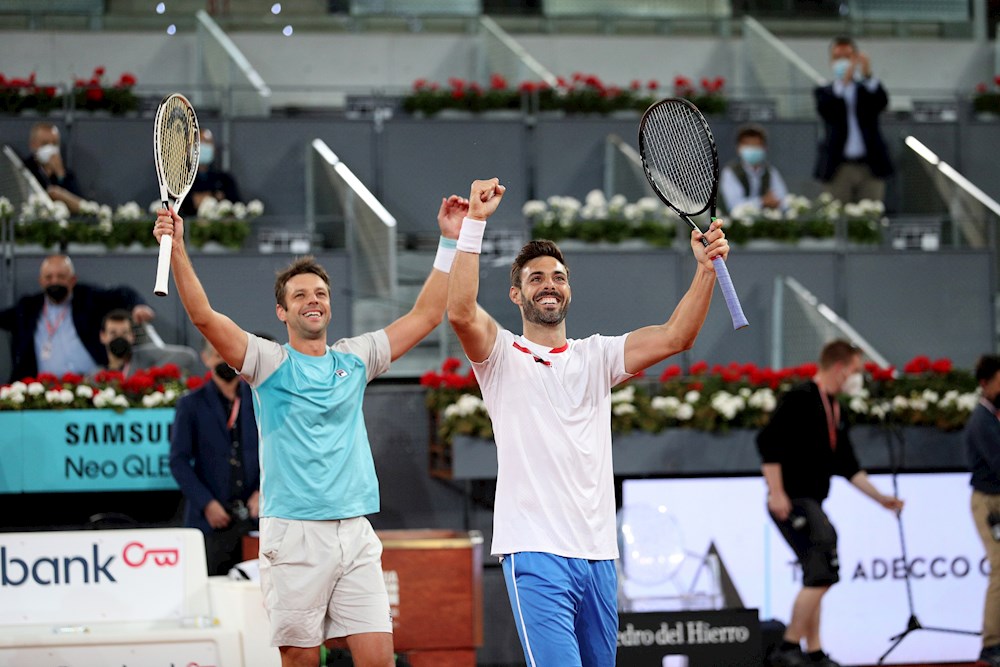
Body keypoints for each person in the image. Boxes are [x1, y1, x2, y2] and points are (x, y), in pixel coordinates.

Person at [153, 191, 466, 667]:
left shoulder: (356, 358)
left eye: (319, 293)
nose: (312, 300)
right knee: (301, 659)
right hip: (293, 533)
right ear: (282, 312)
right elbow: (203, 317)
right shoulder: (267, 363)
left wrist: (449, 241)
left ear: (329, 306)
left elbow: (425, 316)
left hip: (355, 531)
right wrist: (177, 248)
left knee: (378, 660)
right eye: (299, 295)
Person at [446, 177, 730, 667]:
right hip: (535, 552)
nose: (549, 284)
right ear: (516, 294)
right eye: (536, 278)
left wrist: (705, 270)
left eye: (558, 277)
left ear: (569, 289)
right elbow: (460, 313)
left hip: (598, 555)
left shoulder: (597, 355)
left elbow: (677, 336)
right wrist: (473, 224)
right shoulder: (500, 355)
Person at [757, 340, 904, 667]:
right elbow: (768, 443)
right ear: (840, 368)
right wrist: (776, 492)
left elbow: (848, 465)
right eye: (856, 370)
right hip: (793, 499)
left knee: (816, 573)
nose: (859, 377)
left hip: (811, 500)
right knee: (822, 570)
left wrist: (881, 499)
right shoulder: (801, 398)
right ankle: (788, 647)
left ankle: (814, 650)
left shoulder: (834, 408)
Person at [169, 338, 260, 576]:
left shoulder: (259, 399)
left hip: (255, 517)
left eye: (228, 353)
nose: (224, 360)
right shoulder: (190, 404)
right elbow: (178, 461)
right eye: (217, 355)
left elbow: (277, 451)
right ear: (206, 358)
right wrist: (207, 503)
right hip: (211, 520)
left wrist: (263, 491)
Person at [0, 255, 155, 382]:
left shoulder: (88, 298)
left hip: (91, 385)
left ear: (72, 279)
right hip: (43, 391)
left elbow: (123, 293)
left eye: (61, 276)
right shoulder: (28, 307)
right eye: (49, 277)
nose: (55, 281)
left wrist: (138, 305)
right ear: (41, 281)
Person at [813, 36, 894, 205]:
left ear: (855, 59)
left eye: (847, 57)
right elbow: (828, 112)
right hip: (838, 167)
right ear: (831, 61)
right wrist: (843, 83)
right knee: (837, 215)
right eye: (838, 57)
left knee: (870, 214)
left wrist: (867, 75)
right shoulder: (825, 92)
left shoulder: (866, 89)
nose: (843, 62)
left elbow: (881, 102)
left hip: (869, 166)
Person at [965, 354, 1000, 667]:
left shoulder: (992, 417)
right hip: (990, 503)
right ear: (985, 383)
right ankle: (991, 645)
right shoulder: (982, 422)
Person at [719, 123, 788, 214]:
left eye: (756, 145)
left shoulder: (771, 172)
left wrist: (775, 203)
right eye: (748, 145)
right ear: (738, 148)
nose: (752, 149)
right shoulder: (730, 172)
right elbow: (734, 206)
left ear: (764, 148)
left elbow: (783, 201)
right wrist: (762, 202)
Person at [23, 122, 85, 214]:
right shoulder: (24, 169)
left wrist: (61, 175)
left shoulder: (66, 174)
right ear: (33, 145)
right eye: (45, 144)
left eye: (54, 144)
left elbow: (81, 206)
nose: (51, 149)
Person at [179, 128, 240, 218]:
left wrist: (209, 198)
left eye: (206, 142)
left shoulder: (225, 179)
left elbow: (237, 207)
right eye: (198, 143)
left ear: (213, 148)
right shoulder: (180, 181)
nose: (202, 146)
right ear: (188, 148)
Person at [96, 309, 137, 375]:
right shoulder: (97, 377)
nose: (119, 337)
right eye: (113, 333)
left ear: (132, 336)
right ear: (103, 336)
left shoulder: (148, 368)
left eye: (124, 333)